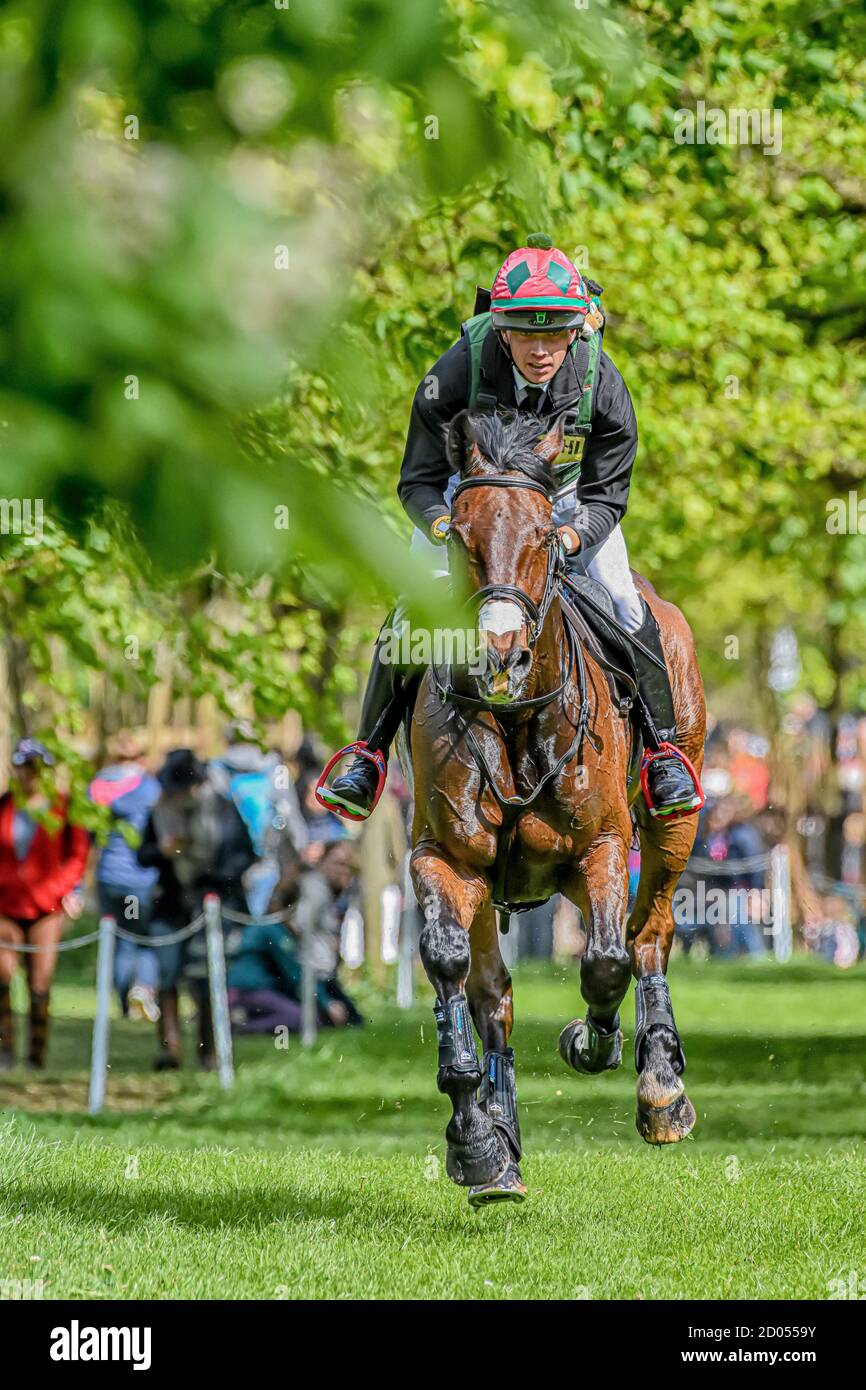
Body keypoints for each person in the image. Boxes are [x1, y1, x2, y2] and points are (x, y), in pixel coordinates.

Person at [319, 234, 702, 821]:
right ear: (501, 329)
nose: (541, 349)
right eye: (526, 331)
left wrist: (573, 538)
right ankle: (368, 755)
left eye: (554, 332)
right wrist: (448, 526)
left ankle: (660, 751)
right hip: (466, 503)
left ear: (576, 330)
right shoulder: (452, 374)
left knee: (624, 600)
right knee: (409, 608)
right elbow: (416, 480)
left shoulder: (604, 386)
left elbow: (607, 492)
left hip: (568, 501)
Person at [138, 748, 256, 1069]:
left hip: (213, 904)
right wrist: (164, 851)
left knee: (208, 979)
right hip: (172, 905)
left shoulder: (221, 808)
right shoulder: (160, 811)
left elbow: (244, 855)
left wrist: (211, 880)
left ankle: (208, 1052)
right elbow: (143, 854)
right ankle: (170, 1049)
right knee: (167, 974)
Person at [0, 739, 90, 1069]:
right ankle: (5, 1050)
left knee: (40, 981)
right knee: (2, 976)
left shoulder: (62, 808)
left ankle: (36, 1055)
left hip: (46, 906)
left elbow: (77, 855)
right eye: (25, 769)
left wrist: (60, 889)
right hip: (6, 904)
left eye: (37, 770)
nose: (31, 777)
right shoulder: (5, 805)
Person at [89, 730, 161, 1021]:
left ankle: (122, 1001)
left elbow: (88, 835)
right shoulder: (148, 788)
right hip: (141, 879)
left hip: (108, 877)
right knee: (144, 938)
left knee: (120, 939)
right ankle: (142, 989)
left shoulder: (95, 789)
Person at [293, 838, 363, 1027]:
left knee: (355, 1021)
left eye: (348, 866)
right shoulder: (315, 888)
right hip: (309, 975)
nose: (343, 871)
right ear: (322, 861)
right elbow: (300, 926)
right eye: (338, 864)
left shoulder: (333, 890)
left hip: (324, 974)